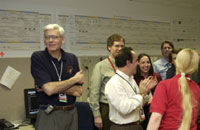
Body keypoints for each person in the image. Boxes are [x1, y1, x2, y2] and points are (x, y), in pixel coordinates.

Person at [31, 24, 85, 130]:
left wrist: (52, 86)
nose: (50, 40)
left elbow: (78, 91)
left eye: (54, 37)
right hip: (49, 114)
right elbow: (49, 90)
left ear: (62, 39)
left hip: (71, 113)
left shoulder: (71, 58)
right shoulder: (38, 57)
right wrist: (73, 80)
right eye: (47, 37)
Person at [105, 47, 158, 130]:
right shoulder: (114, 83)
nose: (138, 64)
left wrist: (146, 92)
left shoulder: (131, 79)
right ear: (128, 62)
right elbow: (124, 108)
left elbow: (136, 104)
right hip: (124, 127)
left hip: (136, 124)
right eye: (136, 60)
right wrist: (141, 94)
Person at [147, 48, 200, 130]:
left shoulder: (164, 85)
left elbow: (156, 117)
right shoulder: (197, 89)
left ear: (177, 63)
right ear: (194, 67)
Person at [88, 34, 125, 130]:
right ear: (109, 47)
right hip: (106, 108)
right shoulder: (100, 66)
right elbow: (93, 92)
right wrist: (97, 115)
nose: (120, 49)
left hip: (123, 108)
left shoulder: (125, 65)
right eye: (117, 46)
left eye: (122, 46)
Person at [134, 53, 162, 130]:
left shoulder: (156, 76)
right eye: (143, 62)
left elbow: (160, 94)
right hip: (139, 108)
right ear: (138, 64)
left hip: (153, 108)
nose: (146, 65)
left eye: (148, 62)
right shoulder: (134, 78)